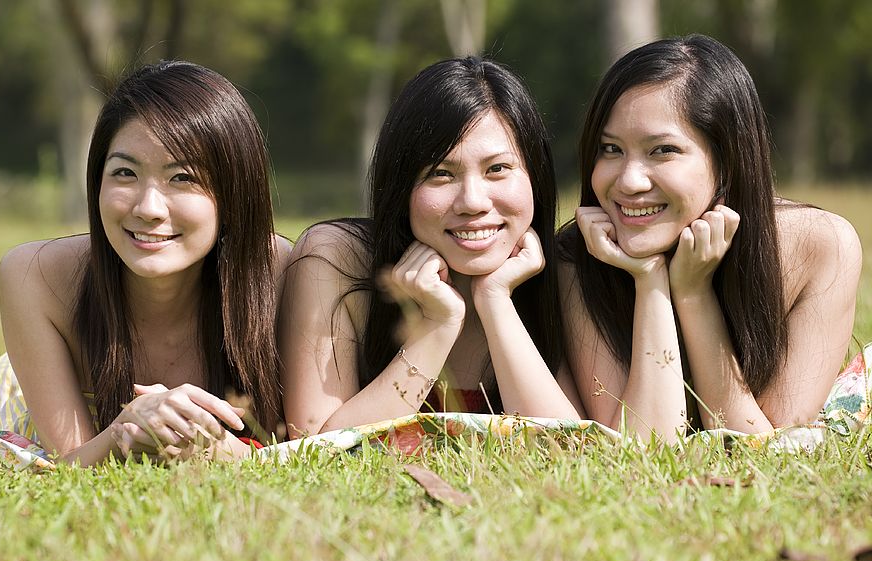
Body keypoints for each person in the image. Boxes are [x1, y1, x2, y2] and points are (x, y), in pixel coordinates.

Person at [558, 34, 862, 441]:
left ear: (728, 159)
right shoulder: (579, 257)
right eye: (611, 149)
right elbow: (639, 442)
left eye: (663, 150)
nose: (628, 181)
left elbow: (768, 445)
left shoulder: (819, 246)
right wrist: (649, 280)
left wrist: (693, 294)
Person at [0, 60, 290, 465]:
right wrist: (124, 431)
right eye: (124, 173)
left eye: (182, 178)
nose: (149, 208)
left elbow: (306, 448)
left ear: (234, 193)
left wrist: (218, 448)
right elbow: (67, 468)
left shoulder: (279, 274)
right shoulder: (36, 275)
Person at [280, 55, 583, 438]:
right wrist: (437, 327)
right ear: (401, 185)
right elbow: (314, 447)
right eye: (441, 174)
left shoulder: (563, 273)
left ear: (535, 178)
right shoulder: (338, 258)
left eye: (497, 169)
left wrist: (495, 301)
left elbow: (567, 449)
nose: (473, 201)